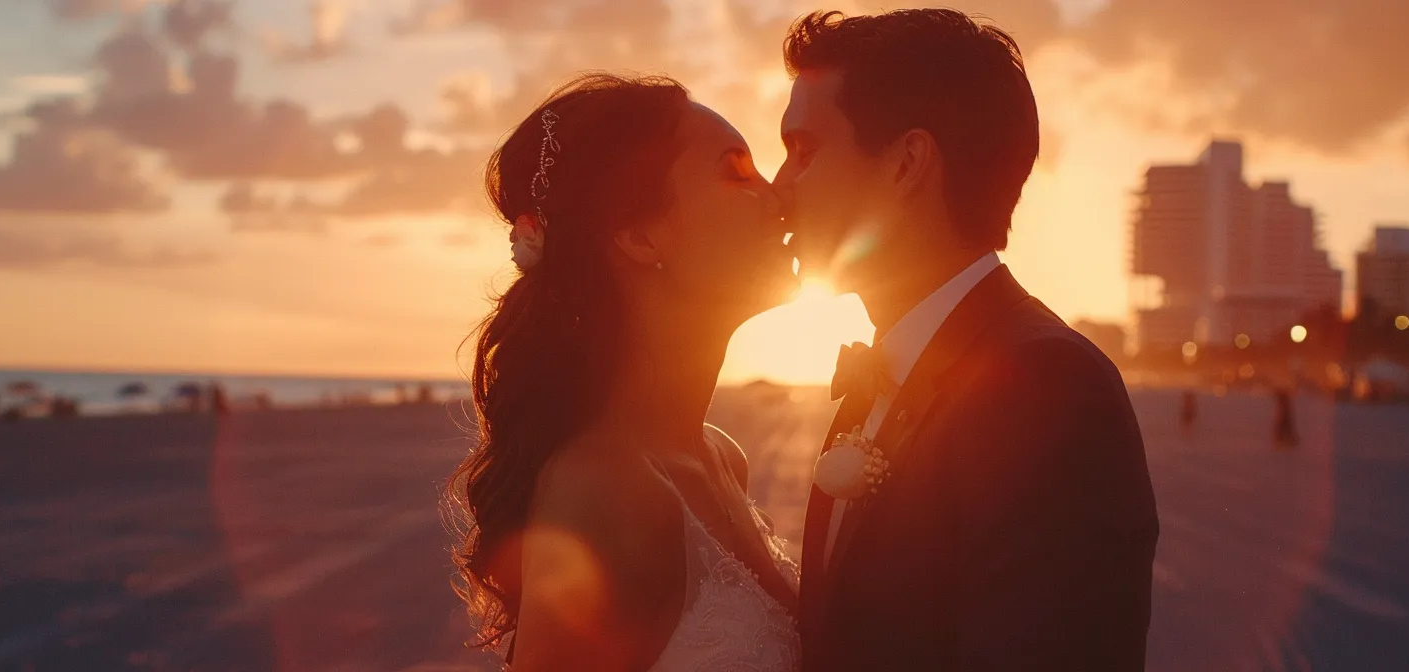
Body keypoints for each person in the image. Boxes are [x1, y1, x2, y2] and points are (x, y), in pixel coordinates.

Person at [775, 10, 1158, 671]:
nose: (780, 190)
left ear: (907, 163)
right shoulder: (896, 369)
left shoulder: (1042, 389)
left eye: (804, 152)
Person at [446, 74, 799, 671]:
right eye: (737, 173)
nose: (780, 196)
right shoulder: (606, 490)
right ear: (639, 235)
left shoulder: (718, 457)